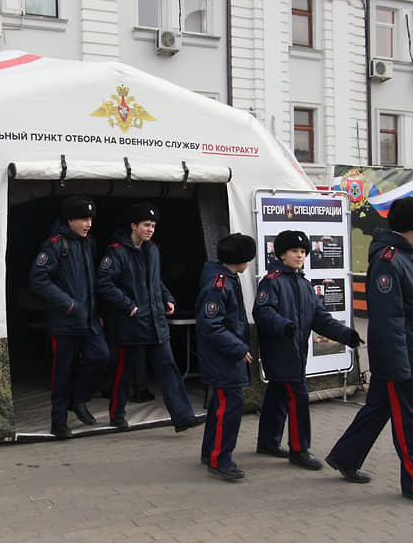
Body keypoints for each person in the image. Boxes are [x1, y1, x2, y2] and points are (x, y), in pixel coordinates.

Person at [326, 196, 413, 510]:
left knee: (377, 409)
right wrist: (399, 365)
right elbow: (388, 319)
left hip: (404, 354)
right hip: (399, 359)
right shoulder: (390, 259)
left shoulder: (408, 254)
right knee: (408, 423)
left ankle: (345, 457)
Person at [252, 230, 363, 470]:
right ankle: (299, 450)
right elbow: (263, 313)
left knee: (278, 395)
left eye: (303, 252)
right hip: (281, 352)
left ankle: (268, 442)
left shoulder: (304, 284)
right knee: (299, 399)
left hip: (296, 353)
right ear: (281, 254)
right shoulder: (271, 282)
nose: (300, 255)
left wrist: (346, 335)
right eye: (294, 251)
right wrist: (285, 326)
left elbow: (320, 318)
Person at [97, 202, 198, 432]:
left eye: (153, 225)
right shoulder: (116, 251)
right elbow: (104, 283)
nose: (150, 229)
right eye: (146, 225)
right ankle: (117, 414)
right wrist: (128, 306)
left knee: (169, 369)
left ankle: (183, 416)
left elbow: (156, 281)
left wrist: (168, 298)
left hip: (155, 322)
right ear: (133, 225)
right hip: (131, 323)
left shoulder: (153, 249)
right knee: (125, 372)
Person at [29, 196, 110, 439]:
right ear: (70, 220)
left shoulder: (89, 243)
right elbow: (38, 279)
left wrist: (98, 312)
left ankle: (78, 399)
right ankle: (59, 422)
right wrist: (69, 304)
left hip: (89, 320)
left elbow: (92, 281)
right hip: (65, 322)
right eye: (84, 219)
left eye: (91, 219)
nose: (89, 224)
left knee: (101, 356)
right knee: (62, 372)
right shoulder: (55, 244)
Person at [195, 233, 257, 480]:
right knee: (228, 408)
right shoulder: (218, 284)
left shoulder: (227, 278)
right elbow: (211, 324)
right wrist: (238, 348)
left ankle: (210, 452)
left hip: (224, 356)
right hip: (222, 358)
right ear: (240, 259)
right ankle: (221, 459)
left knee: (219, 407)